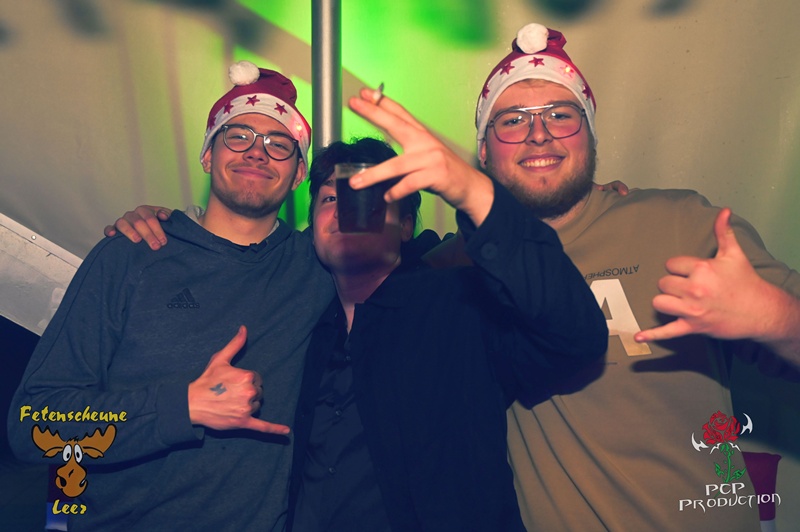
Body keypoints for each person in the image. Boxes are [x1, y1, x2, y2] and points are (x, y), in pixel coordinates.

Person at [404, 22, 800, 530]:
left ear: (590, 135)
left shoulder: (680, 224)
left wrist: (775, 317)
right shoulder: (453, 269)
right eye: (513, 120)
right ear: (483, 151)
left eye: (560, 114)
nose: (539, 133)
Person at [7, 61, 335, 530]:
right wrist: (182, 408)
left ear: (299, 173)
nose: (257, 152)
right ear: (207, 156)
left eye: (278, 144)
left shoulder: (317, 267)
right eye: (238, 136)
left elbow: (429, 263)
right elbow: (32, 426)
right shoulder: (131, 255)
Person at [285, 137, 607, 531]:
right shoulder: (312, 330)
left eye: (365, 197)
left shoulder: (460, 304)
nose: (344, 211)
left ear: (405, 226)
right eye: (331, 199)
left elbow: (575, 338)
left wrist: (476, 196)